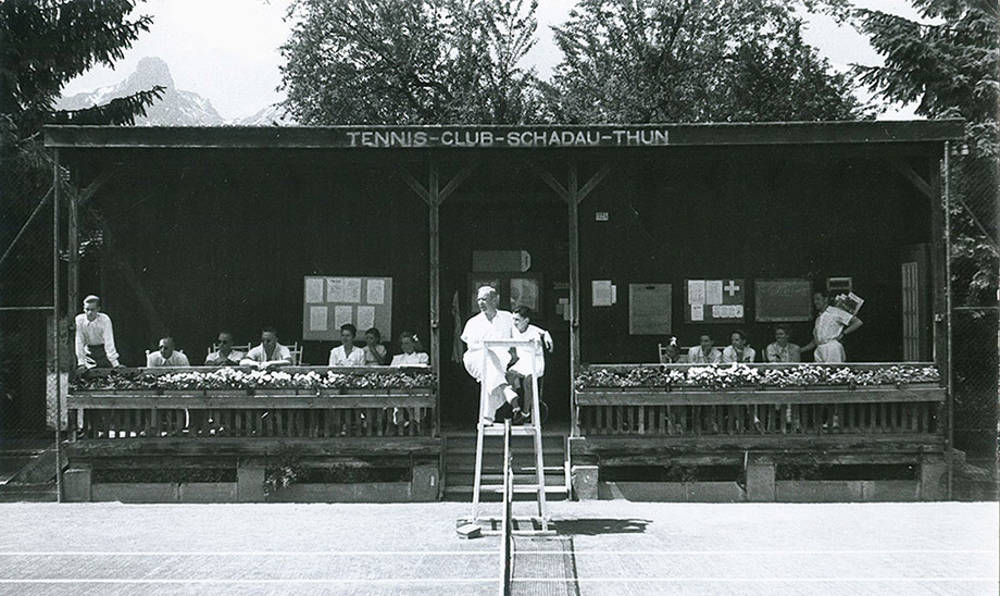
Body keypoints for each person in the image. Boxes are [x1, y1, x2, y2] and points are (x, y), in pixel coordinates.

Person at [461, 285, 518, 422]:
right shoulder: (473, 322)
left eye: (484, 299)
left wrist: (544, 333)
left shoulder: (508, 318)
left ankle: (487, 416)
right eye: (478, 299)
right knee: (488, 356)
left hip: (501, 360)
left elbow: (522, 333)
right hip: (476, 359)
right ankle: (506, 390)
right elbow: (472, 347)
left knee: (489, 377)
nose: (480, 302)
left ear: (494, 300)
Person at [506, 306, 553, 422]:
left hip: (535, 362)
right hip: (522, 362)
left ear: (526, 320)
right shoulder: (513, 329)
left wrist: (547, 336)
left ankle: (526, 413)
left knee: (528, 380)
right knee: (508, 375)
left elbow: (543, 332)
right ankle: (516, 408)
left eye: (517, 320)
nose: (514, 322)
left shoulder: (533, 330)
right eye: (513, 319)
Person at [801, 291, 863, 363]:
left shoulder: (835, 312)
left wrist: (843, 333)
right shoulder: (818, 318)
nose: (815, 302)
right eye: (814, 300)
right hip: (819, 350)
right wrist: (801, 350)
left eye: (818, 299)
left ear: (825, 299)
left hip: (832, 348)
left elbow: (858, 322)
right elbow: (816, 341)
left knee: (834, 372)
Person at [74, 295, 124, 374]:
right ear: (83, 309)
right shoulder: (79, 320)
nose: (89, 312)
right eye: (87, 309)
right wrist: (81, 363)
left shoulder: (105, 320)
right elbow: (79, 341)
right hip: (88, 354)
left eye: (92, 310)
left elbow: (109, 341)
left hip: (103, 353)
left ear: (98, 309)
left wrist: (115, 363)